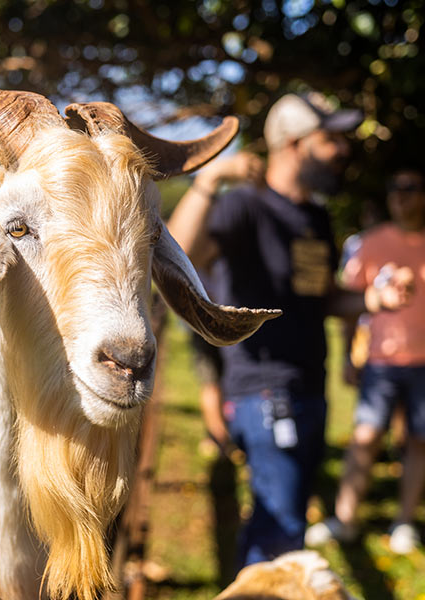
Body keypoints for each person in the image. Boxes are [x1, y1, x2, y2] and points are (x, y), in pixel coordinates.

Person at [167, 91, 412, 569]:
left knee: (283, 519)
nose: (343, 150)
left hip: (310, 389)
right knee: (281, 532)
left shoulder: (316, 218)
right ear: (294, 144)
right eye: (330, 140)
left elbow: (320, 299)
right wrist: (210, 178)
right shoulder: (244, 207)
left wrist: (373, 300)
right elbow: (179, 256)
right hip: (263, 391)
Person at [306, 169, 425, 554]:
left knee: (419, 443)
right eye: (394, 188)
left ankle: (405, 522)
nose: (400, 196)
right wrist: (350, 355)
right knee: (366, 437)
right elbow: (348, 305)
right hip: (381, 361)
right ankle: (346, 518)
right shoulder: (372, 244)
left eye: (409, 189)